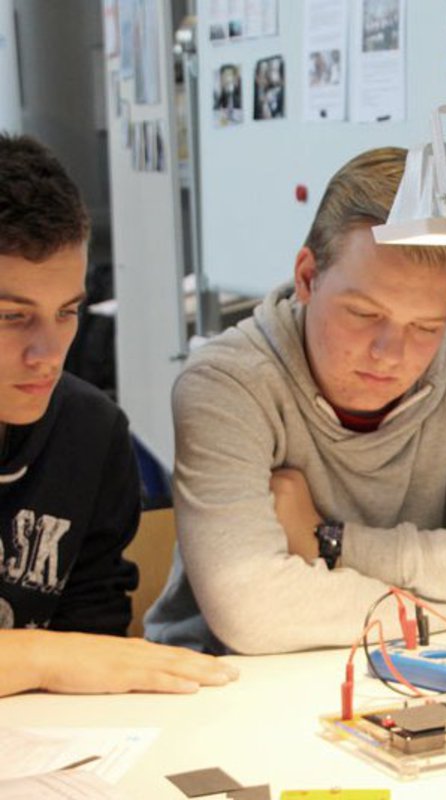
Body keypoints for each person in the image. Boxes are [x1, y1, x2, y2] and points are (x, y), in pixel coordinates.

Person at [145, 146, 446, 655]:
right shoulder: (227, 382)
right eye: (365, 315)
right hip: (236, 681)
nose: (390, 354)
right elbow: (253, 612)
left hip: (416, 664)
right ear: (307, 278)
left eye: (426, 327)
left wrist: (334, 543)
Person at [0, 133, 237, 696]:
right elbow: (68, 659)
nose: (49, 353)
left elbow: (92, 648)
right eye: (11, 317)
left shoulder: (89, 432)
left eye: (66, 312)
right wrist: (38, 657)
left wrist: (54, 662)